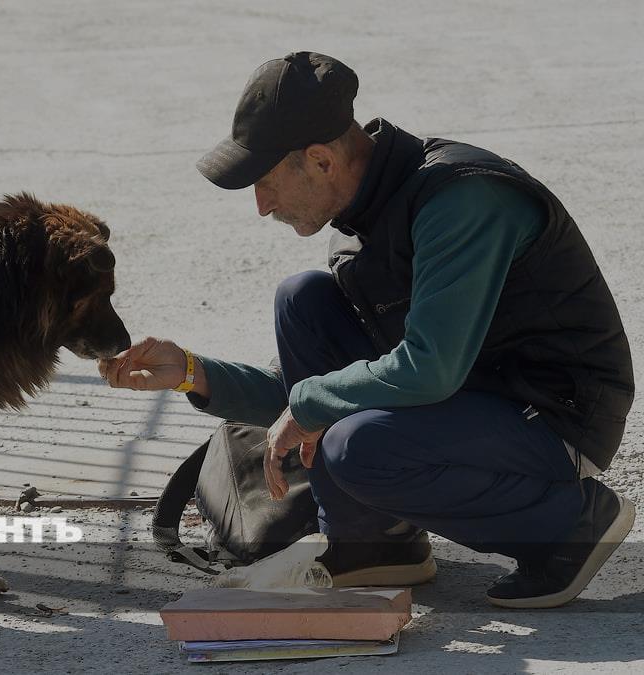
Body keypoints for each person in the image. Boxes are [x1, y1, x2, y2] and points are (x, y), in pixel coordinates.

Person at [99, 51, 635, 608]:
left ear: (321, 160)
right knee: (302, 300)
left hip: (553, 414)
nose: (261, 206)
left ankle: (569, 524)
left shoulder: (462, 199)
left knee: (356, 448)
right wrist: (193, 373)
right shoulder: (361, 221)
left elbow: (426, 370)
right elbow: (316, 396)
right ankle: (373, 544)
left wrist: (311, 404)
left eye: (265, 182)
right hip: (471, 397)